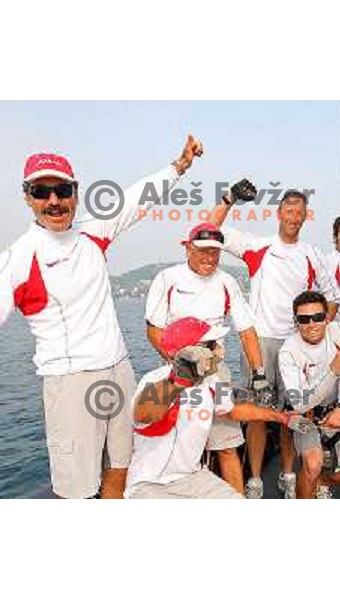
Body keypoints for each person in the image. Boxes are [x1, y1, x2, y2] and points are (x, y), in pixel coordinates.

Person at [0, 136, 203, 498]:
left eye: (62, 190)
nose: (54, 201)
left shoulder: (92, 233)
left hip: (118, 368)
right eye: (41, 191)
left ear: (75, 193)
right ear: (27, 197)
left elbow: (135, 199)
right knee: (77, 491)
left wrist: (179, 166)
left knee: (119, 465)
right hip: (69, 380)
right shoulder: (19, 258)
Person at [209, 186, 340, 498]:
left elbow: (332, 298)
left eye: (299, 213)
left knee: (295, 412)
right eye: (288, 211)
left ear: (306, 217)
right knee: (258, 412)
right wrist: (230, 199)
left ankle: (287, 475)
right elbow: (211, 229)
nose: (293, 217)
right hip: (262, 342)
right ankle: (254, 480)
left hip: (297, 344)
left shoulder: (311, 254)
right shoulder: (259, 246)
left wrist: (319, 333)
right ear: (278, 213)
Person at [125, 317, 309, 499]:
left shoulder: (213, 381)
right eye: (212, 345)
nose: (220, 350)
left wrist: (282, 418)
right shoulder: (155, 380)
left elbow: (232, 410)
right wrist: (178, 382)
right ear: (191, 352)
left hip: (194, 478)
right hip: (150, 485)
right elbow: (143, 414)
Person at [145, 221, 267, 494]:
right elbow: (153, 328)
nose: (209, 258)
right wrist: (178, 361)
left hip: (215, 370)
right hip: (176, 371)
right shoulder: (167, 279)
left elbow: (246, 330)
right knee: (180, 447)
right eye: (202, 251)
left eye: (215, 252)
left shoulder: (227, 282)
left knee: (226, 446)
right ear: (187, 248)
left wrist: (259, 373)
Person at [278, 291, 340, 499]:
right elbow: (298, 403)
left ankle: (320, 483)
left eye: (318, 317)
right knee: (313, 465)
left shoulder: (338, 333)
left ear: (327, 318)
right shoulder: (287, 352)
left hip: (336, 408)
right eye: (304, 319)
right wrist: (331, 371)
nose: (312, 324)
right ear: (295, 322)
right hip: (304, 414)